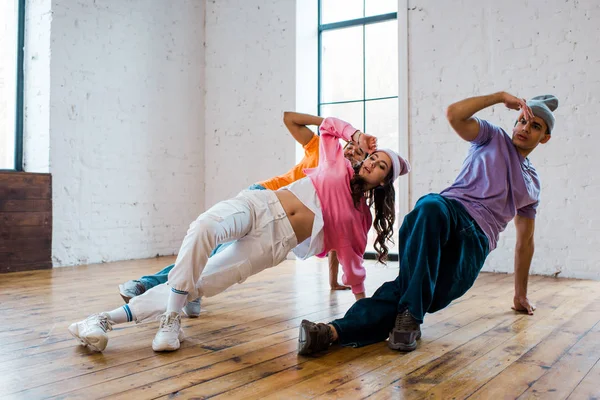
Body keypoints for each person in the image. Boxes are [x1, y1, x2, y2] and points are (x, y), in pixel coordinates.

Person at [68, 114, 411, 352]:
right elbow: (328, 125)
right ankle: (171, 318)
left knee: (200, 284)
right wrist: (355, 137)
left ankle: (99, 320)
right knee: (203, 226)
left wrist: (363, 310)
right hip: (260, 204)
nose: (370, 163)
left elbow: (353, 267)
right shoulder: (336, 160)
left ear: (383, 182)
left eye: (380, 166)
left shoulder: (360, 218)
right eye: (373, 157)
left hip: (272, 245)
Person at [297, 92, 558, 355]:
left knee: (413, 291)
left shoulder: (532, 184)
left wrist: (520, 295)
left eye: (535, 126)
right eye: (522, 121)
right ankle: (408, 317)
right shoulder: (493, 137)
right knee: (430, 206)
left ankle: (330, 333)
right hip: (450, 211)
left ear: (545, 138)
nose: (525, 128)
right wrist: (500, 97)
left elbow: (525, 241)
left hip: (476, 244)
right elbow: (454, 114)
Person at [117, 112, 370, 317]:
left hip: (282, 224)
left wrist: (333, 281)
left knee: (221, 258)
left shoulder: (344, 184)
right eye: (351, 146)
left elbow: (339, 233)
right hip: (263, 196)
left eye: (359, 153)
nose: (351, 151)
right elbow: (289, 118)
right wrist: (346, 130)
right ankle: (149, 285)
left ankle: (189, 294)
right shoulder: (321, 149)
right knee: (212, 246)